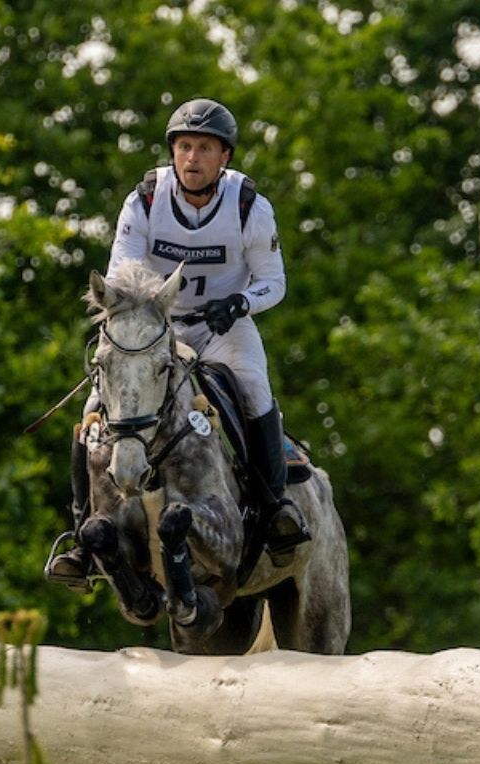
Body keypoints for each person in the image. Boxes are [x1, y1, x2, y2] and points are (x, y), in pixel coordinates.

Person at [46, 98, 306, 591]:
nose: (192, 158)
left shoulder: (250, 206)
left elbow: (275, 281)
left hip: (225, 327)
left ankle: (276, 508)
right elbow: (123, 269)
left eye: (204, 148)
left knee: (254, 389)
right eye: (184, 147)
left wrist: (241, 303)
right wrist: (145, 316)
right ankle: (81, 532)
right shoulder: (144, 198)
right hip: (156, 327)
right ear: (173, 152)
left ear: (224, 157)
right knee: (95, 406)